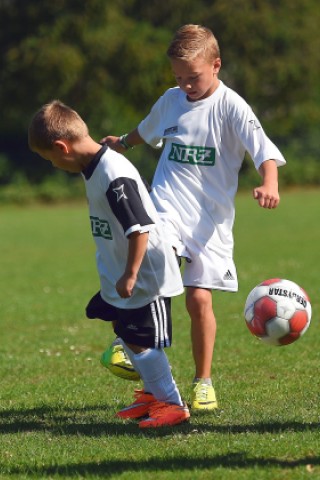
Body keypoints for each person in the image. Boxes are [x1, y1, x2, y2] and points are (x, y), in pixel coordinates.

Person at [101, 24, 286, 411]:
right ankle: (131, 341)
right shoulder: (171, 100)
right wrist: (122, 143)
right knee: (157, 258)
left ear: (216, 65)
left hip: (211, 222)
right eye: (179, 78)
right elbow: (145, 131)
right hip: (166, 207)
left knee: (199, 300)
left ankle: (203, 382)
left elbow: (264, 151)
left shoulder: (231, 106)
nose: (185, 85)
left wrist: (270, 183)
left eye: (193, 77)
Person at [28, 100, 190, 428]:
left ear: (62, 146)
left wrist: (130, 273)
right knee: (125, 330)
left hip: (145, 273)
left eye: (50, 159)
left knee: (140, 338)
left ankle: (172, 404)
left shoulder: (113, 173)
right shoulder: (93, 166)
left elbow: (139, 227)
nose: (54, 166)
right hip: (121, 272)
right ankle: (153, 396)